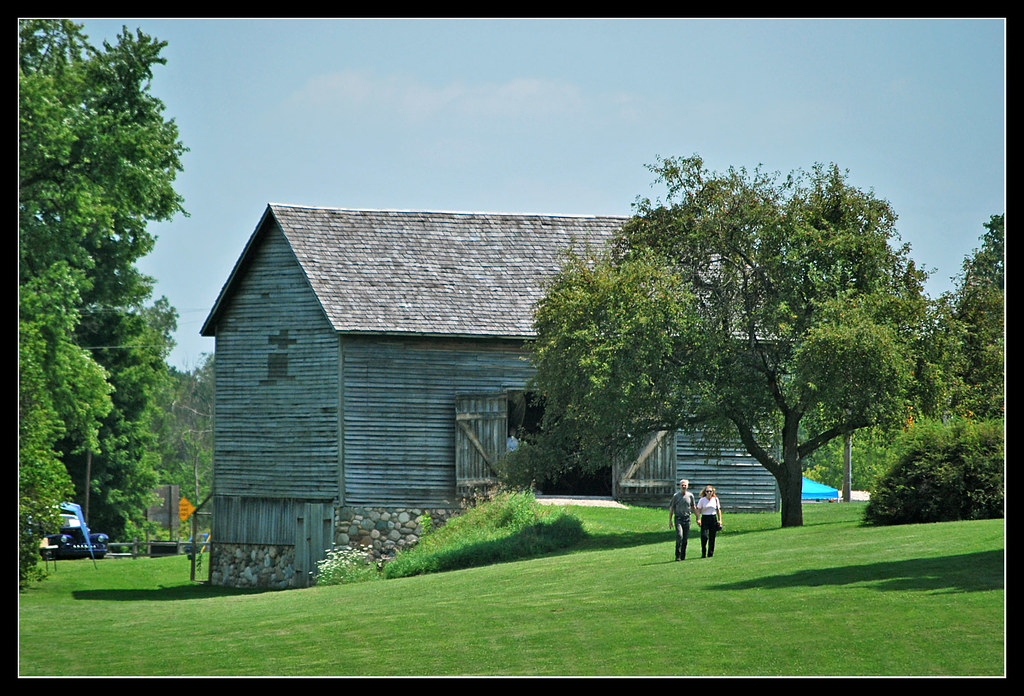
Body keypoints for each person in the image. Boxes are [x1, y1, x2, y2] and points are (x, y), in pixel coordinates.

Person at [668, 479, 697, 561]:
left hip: (687, 519)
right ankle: (678, 555)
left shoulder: (690, 496)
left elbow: (693, 507)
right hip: (678, 519)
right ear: (680, 486)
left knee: (685, 538)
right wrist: (670, 520)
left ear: (687, 486)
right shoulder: (676, 496)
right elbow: (671, 508)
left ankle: (683, 555)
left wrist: (698, 518)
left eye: (685, 485)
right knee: (679, 535)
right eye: (682, 485)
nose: (684, 486)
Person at [696, 485, 723, 558]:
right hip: (705, 518)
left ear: (712, 492)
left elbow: (718, 510)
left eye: (710, 491)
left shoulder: (715, 499)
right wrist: (698, 519)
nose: (709, 493)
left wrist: (720, 520)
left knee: (712, 537)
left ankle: (710, 553)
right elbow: (698, 509)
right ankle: (703, 552)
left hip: (713, 518)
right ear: (705, 492)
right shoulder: (702, 500)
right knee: (704, 536)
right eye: (707, 491)